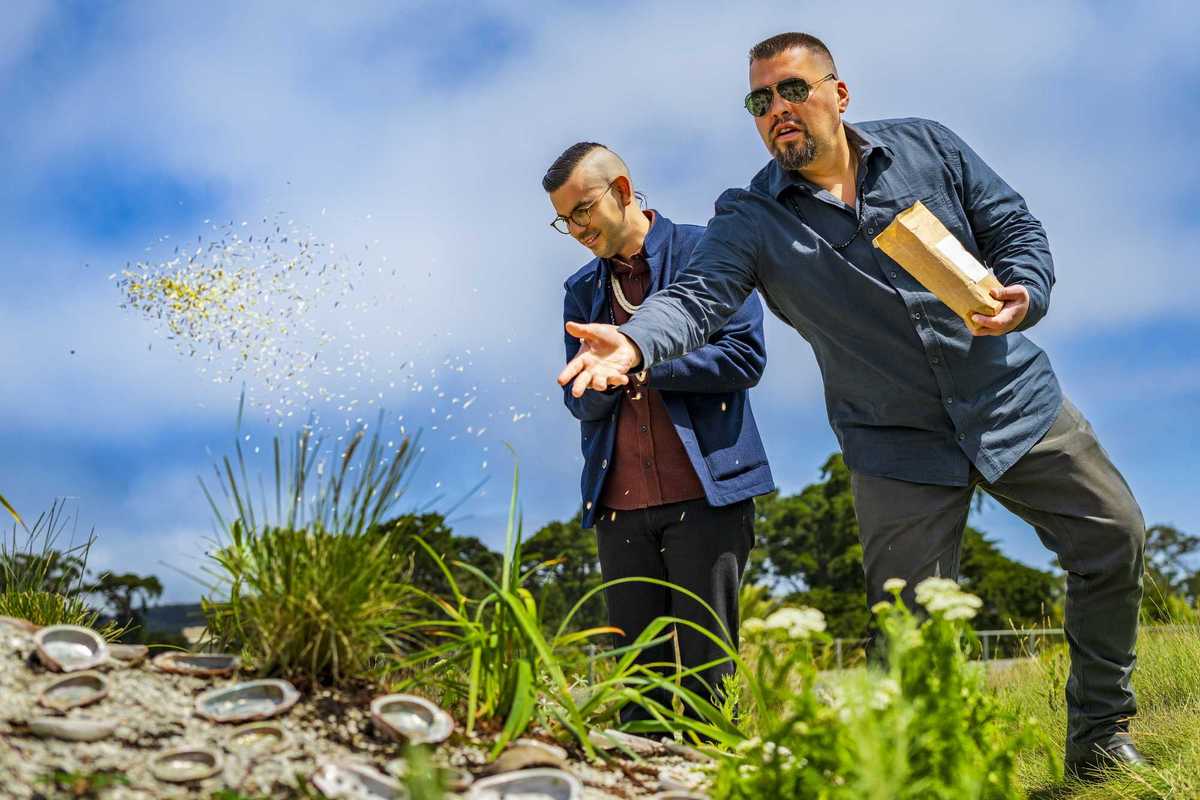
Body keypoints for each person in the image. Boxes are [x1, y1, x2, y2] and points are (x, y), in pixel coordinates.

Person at [555, 33, 1146, 776]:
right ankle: (924, 783)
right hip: (895, 444)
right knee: (907, 632)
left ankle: (1100, 741)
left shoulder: (929, 146)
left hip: (1011, 401)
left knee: (1114, 536)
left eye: (793, 89)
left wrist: (1025, 291)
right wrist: (636, 344)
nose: (778, 110)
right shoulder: (749, 217)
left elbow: (1013, 225)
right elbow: (701, 297)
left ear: (840, 93)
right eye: (760, 101)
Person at [544, 141, 774, 725]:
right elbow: (581, 406)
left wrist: (641, 363)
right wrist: (595, 386)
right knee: (636, 687)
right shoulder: (579, 291)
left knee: (707, 675)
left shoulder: (707, 251)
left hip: (707, 496)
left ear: (622, 191)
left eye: (582, 211)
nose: (574, 229)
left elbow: (743, 358)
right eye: (562, 219)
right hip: (618, 507)